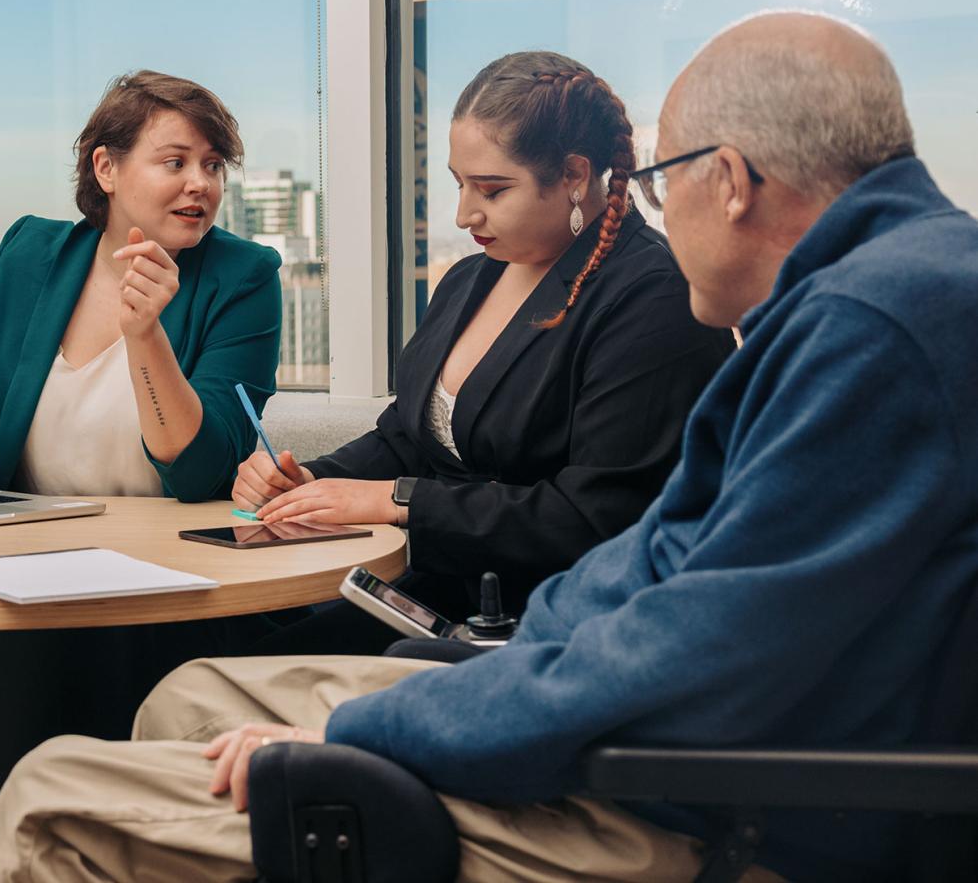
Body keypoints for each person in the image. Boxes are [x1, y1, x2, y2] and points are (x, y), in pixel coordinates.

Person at [0, 11, 978, 882]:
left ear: (727, 181)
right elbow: (663, 570)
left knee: (50, 795)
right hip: (648, 732)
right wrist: (482, 671)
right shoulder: (884, 296)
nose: (654, 210)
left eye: (662, 179)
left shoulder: (871, 327)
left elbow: (696, 643)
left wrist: (365, 730)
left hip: (701, 804)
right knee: (190, 699)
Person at [239, 52, 732, 644]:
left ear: (575, 176)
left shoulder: (653, 298)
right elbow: (406, 435)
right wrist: (311, 482)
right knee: (232, 641)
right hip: (436, 593)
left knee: (245, 666)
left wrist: (399, 502)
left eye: (492, 190)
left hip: (552, 623)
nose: (464, 212)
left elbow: (599, 518)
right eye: (459, 183)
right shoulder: (471, 278)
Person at [0, 70, 281, 502]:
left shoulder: (245, 277)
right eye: (176, 162)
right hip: (21, 543)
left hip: (169, 552)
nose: (201, 184)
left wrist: (145, 335)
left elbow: (202, 473)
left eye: (214, 166)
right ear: (106, 169)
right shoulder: (27, 255)